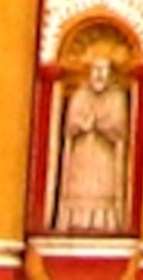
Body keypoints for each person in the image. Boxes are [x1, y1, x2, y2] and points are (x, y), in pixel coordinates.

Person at [50, 55, 132, 233]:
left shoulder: (117, 97)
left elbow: (119, 127)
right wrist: (81, 124)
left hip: (104, 154)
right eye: (95, 70)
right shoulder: (80, 95)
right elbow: (70, 124)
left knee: (103, 188)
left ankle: (104, 223)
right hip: (82, 153)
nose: (99, 75)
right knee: (79, 187)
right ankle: (75, 221)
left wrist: (102, 125)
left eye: (103, 70)